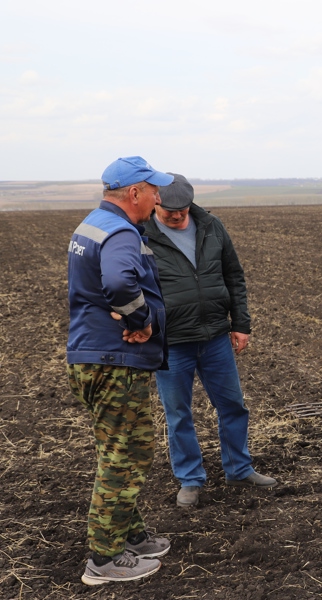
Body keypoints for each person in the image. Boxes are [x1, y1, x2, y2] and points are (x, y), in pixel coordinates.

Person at [66, 156, 174, 585]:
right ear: (134, 193)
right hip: (114, 361)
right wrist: (141, 320)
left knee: (121, 448)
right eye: (153, 190)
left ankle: (129, 535)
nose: (158, 197)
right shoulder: (121, 231)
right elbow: (117, 282)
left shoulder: (92, 223)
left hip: (92, 356)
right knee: (126, 454)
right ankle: (105, 559)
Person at [144, 174, 276, 508]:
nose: (176, 216)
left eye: (182, 209)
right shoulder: (141, 234)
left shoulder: (211, 226)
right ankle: (190, 479)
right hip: (171, 341)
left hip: (216, 336)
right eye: (169, 210)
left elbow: (234, 275)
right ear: (155, 201)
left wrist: (241, 324)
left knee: (233, 405)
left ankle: (239, 468)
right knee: (178, 413)